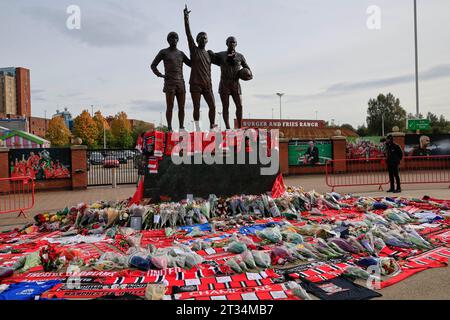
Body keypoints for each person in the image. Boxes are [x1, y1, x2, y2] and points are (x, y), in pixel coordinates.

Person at [184, 5, 217, 131]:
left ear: (207, 40)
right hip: (195, 84)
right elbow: (188, 34)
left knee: (213, 106)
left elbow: (221, 62)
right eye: (201, 38)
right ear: (197, 40)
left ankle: (212, 127)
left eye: (205, 37)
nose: (203, 39)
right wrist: (186, 18)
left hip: (207, 84)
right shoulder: (194, 49)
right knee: (196, 106)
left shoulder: (209, 54)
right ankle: (197, 128)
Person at [151, 32, 191, 132]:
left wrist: (195, 54)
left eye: (175, 38)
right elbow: (153, 65)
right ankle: (169, 127)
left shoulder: (181, 54)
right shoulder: (163, 52)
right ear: (168, 40)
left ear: (178, 40)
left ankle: (181, 127)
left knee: (182, 106)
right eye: (171, 38)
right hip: (170, 83)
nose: (173, 40)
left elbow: (191, 64)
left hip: (181, 82)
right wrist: (160, 74)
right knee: (170, 106)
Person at [209, 36, 252, 129]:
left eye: (234, 42)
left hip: (235, 84)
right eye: (230, 42)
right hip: (224, 84)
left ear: (236, 44)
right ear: (227, 43)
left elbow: (248, 70)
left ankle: (239, 127)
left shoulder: (240, 56)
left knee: (239, 106)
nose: (232, 44)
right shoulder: (221, 55)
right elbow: (211, 57)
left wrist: (247, 75)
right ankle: (228, 127)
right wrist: (210, 52)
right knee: (225, 106)